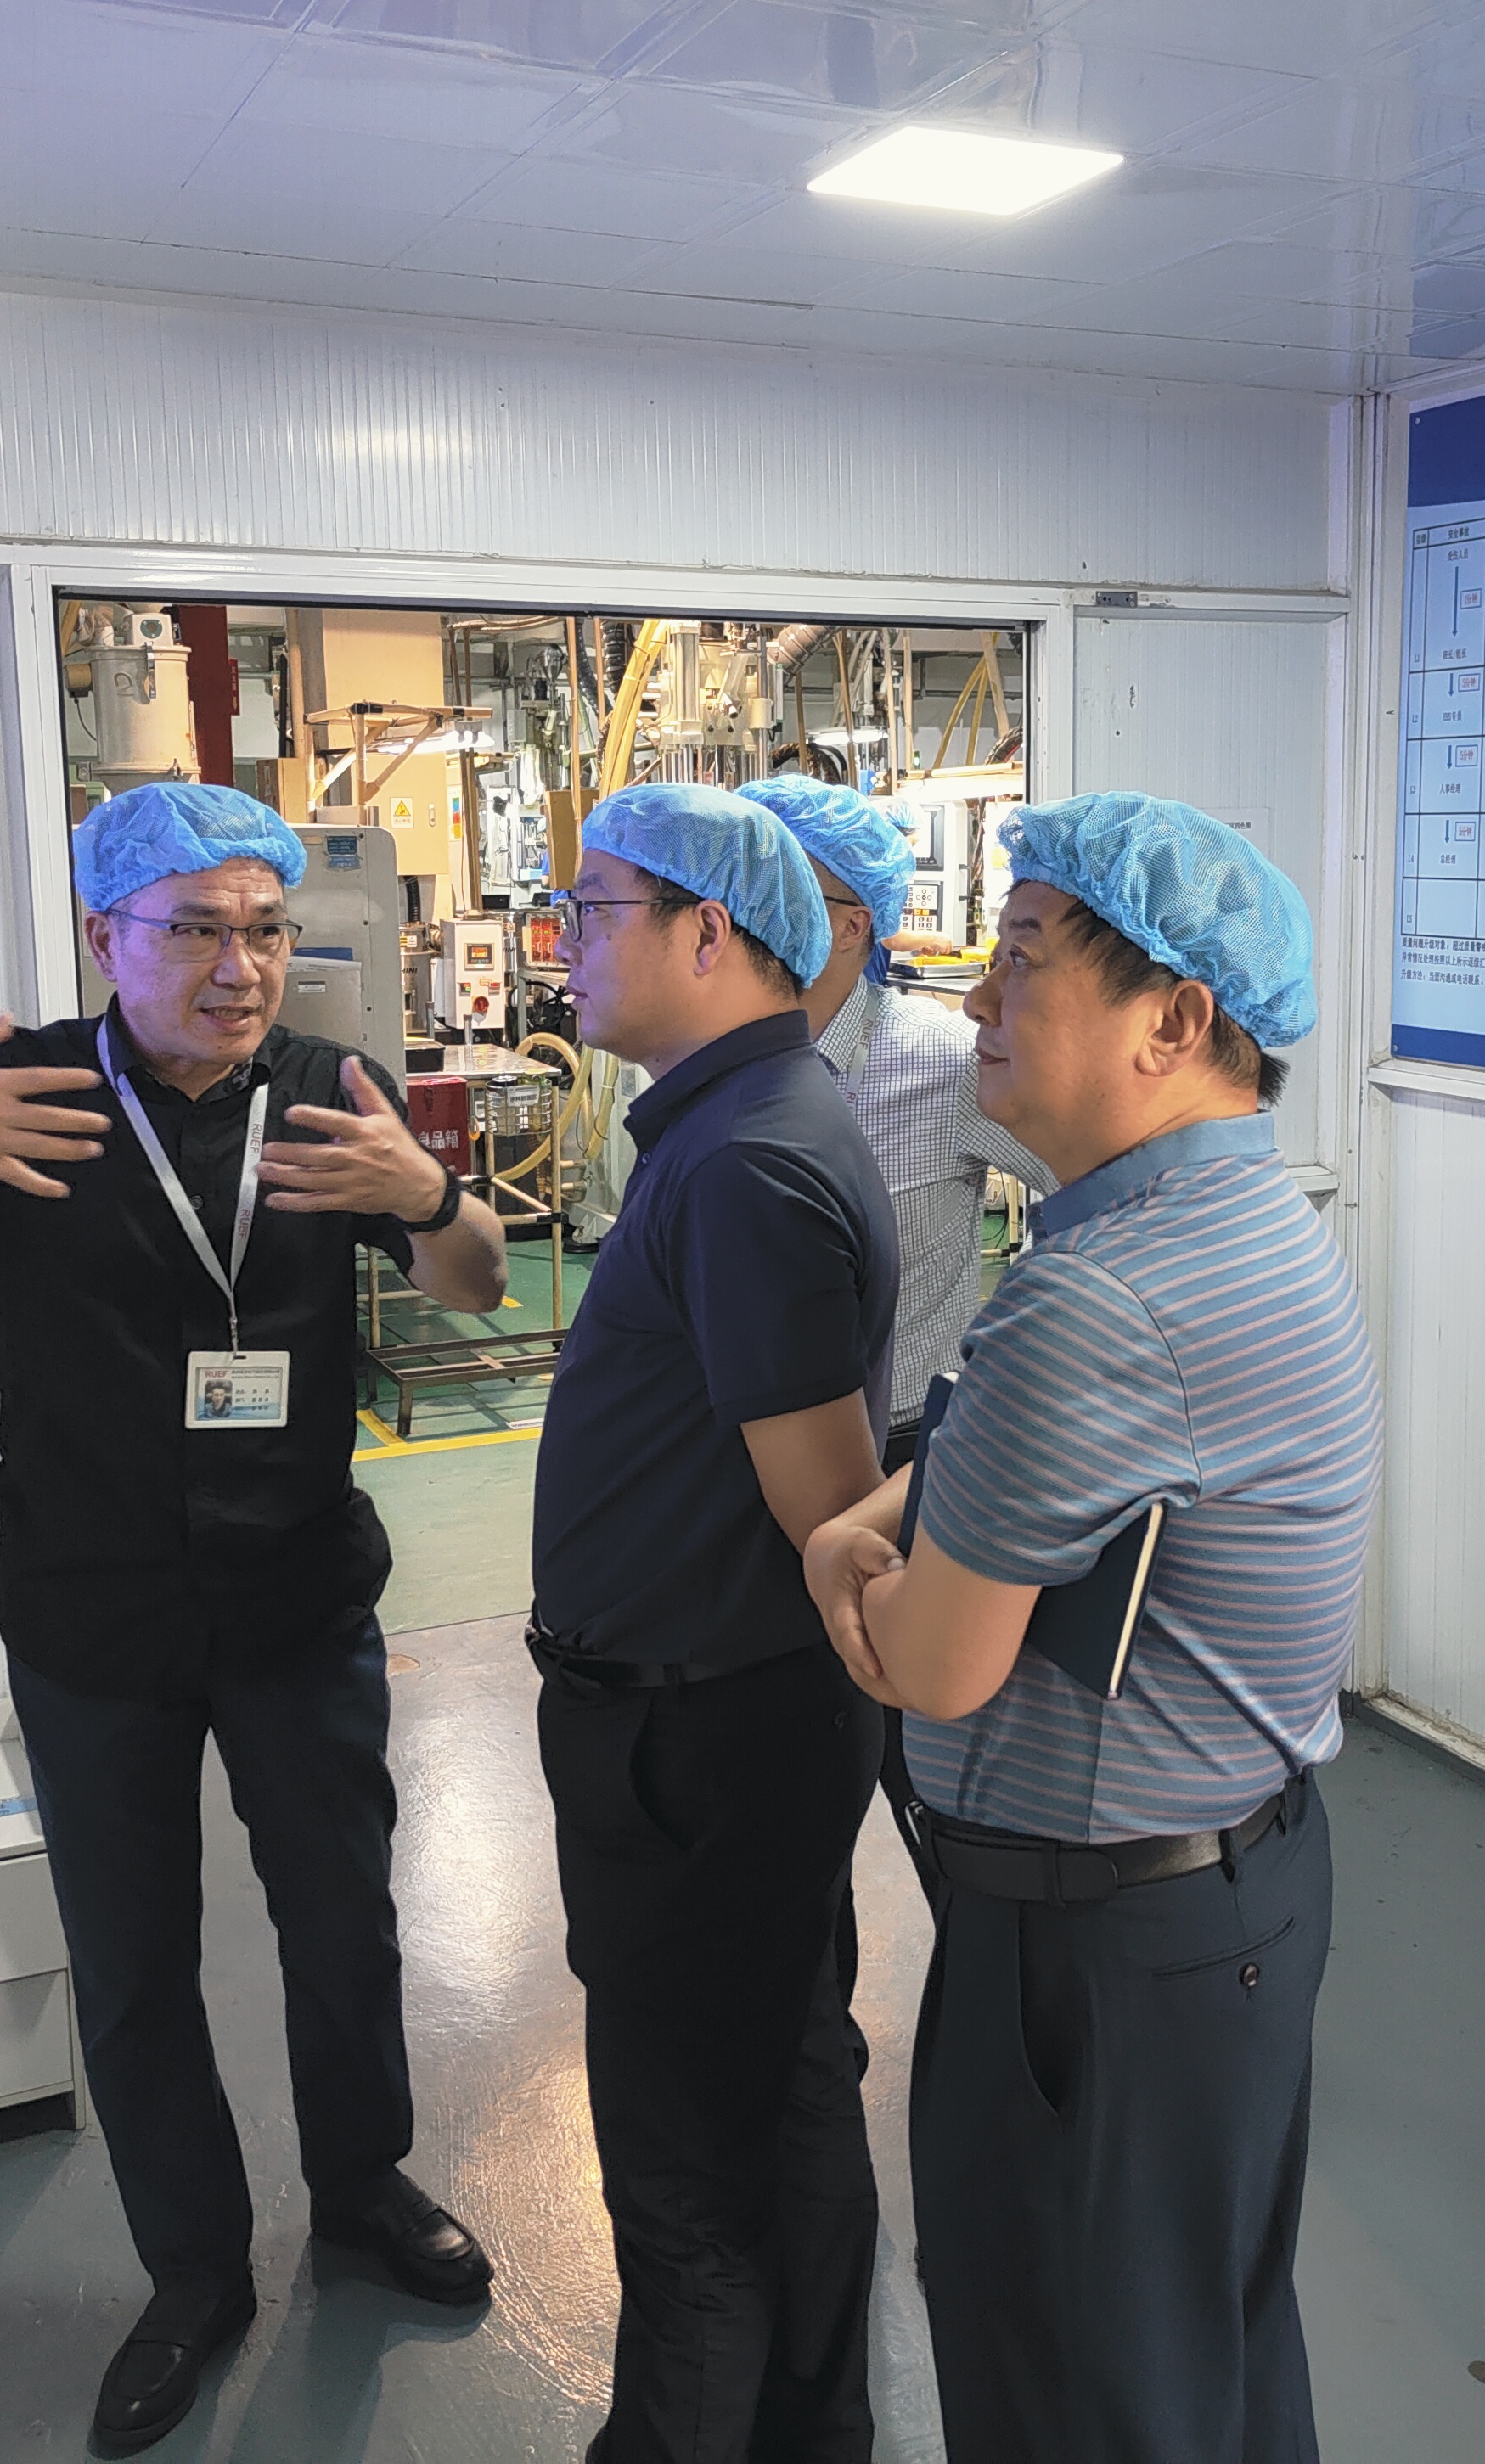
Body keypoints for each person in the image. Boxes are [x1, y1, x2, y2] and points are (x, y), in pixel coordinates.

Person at [0, 780, 507, 2458]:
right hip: (91, 1615)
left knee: (342, 1921)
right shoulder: (13, 1101)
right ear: (106, 934)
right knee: (135, 1957)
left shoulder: (332, 1094)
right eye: (198, 930)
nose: (242, 967)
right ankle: (193, 2269)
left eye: (265, 931)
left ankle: (362, 2188)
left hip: (299, 1601)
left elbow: (480, 1281)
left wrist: (428, 1196)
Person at [801, 793, 1378, 2464]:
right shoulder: (1222, 1222)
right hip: (1228, 1895)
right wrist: (913, 1512)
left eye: (1026, 958)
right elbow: (1012, 1454)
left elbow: (933, 1666)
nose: (976, 996)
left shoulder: (1100, 1297)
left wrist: (845, 1561)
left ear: (1174, 1021)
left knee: (1072, 2389)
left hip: (1099, 1958)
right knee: (1200, 2362)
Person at [526, 783, 898, 2464]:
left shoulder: (745, 1163)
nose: (564, 943)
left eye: (594, 908)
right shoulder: (728, 1127)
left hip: (705, 1739)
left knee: (687, 2178)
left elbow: (832, 1519)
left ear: (709, 931)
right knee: (783, 2092)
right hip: (710, 1717)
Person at [739, 774, 1051, 1468]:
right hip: (736, 1434)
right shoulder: (715, 1059)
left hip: (898, 1445)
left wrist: (1021, 1363)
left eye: (774, 891)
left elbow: (1098, 1194)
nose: (738, 914)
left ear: (852, 926)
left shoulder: (944, 1061)